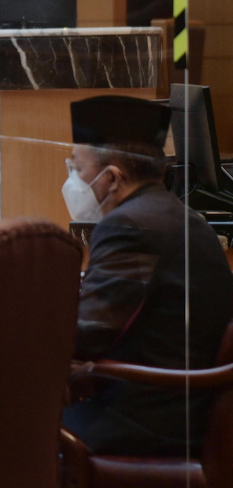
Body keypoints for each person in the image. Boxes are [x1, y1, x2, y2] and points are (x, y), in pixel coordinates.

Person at [61, 95, 233, 455]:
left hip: (143, 420)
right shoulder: (182, 218)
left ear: (112, 178)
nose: (74, 179)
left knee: (6, 422)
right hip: (181, 411)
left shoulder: (128, 225)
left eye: (77, 168)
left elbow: (84, 338)